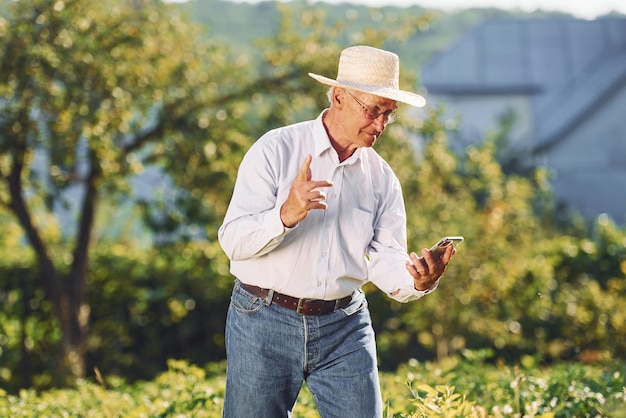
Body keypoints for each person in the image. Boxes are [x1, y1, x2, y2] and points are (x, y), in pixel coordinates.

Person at [218, 45, 457, 418]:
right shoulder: (275, 150)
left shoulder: (382, 178)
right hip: (263, 319)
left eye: (388, 115)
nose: (380, 125)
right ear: (340, 97)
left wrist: (419, 281)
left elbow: (385, 259)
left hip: (344, 326)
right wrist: (285, 215)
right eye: (373, 110)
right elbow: (232, 240)